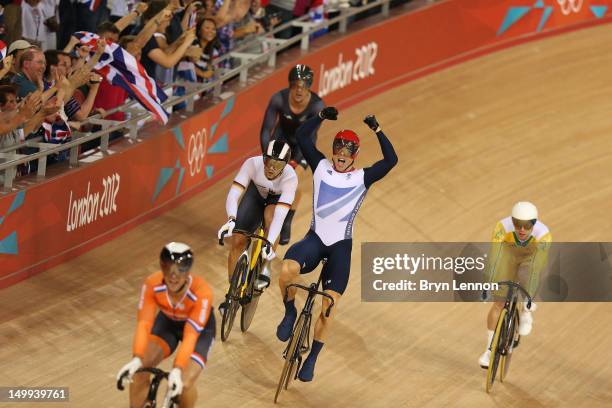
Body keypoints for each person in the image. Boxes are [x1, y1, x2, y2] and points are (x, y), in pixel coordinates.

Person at [276, 107, 398, 381]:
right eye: (338, 152)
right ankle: (289, 312)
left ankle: (312, 358)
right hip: (315, 240)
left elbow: (391, 160)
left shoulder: (362, 177)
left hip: (340, 247)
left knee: (328, 306)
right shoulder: (320, 166)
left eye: (347, 153)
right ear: (333, 152)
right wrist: (319, 116)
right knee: (286, 271)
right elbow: (302, 135)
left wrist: (377, 130)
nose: (341, 157)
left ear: (354, 156)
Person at [116, 242, 215, 408]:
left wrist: (177, 369)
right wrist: (137, 359)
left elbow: (191, 335)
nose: (173, 275)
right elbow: (144, 323)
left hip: (199, 332)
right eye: (168, 267)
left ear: (188, 271)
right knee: (140, 372)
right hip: (168, 323)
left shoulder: (202, 293)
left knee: (184, 384)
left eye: (180, 269)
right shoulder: (152, 284)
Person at [217, 138, 297, 294]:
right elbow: (234, 194)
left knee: (271, 218)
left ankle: (266, 265)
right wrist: (231, 218)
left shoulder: (290, 178)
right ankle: (231, 292)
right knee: (238, 240)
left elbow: (280, 216)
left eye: (278, 164)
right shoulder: (252, 164)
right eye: (269, 161)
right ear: (263, 158)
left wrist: (269, 242)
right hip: (256, 194)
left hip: (275, 201)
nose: (272, 168)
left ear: (285, 165)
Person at [478, 201, 552, 368]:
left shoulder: (543, 234)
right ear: (512, 221)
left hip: (529, 260)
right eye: (518, 224)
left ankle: (526, 311)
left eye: (527, 225)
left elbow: (536, 266)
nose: (522, 229)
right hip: (509, 258)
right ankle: (489, 351)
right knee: (498, 303)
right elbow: (494, 257)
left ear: (535, 223)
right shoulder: (502, 228)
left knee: (528, 273)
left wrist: (529, 297)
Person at [260, 64, 325, 245]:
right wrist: (267, 156)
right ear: (290, 86)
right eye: (295, 85)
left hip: (303, 145)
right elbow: (266, 130)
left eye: (303, 86)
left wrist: (293, 164)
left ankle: (288, 217)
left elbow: (308, 137)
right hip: (281, 139)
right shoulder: (278, 99)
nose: (298, 90)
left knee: (289, 180)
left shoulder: (317, 106)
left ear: (309, 87)